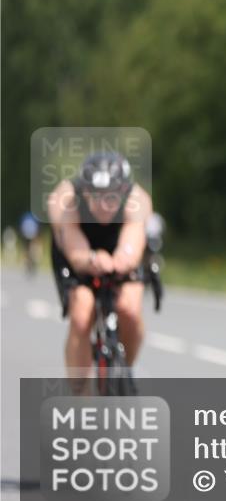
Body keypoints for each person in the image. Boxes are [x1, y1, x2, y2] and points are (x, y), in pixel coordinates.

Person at [48, 151, 152, 385]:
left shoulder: (139, 200)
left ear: (124, 191)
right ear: (84, 191)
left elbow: (132, 242)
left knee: (130, 309)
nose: (103, 204)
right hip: (77, 249)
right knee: (82, 314)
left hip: (118, 246)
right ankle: (79, 389)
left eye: (111, 197)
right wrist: (92, 259)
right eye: (95, 196)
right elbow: (75, 252)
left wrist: (122, 259)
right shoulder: (64, 199)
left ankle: (124, 368)